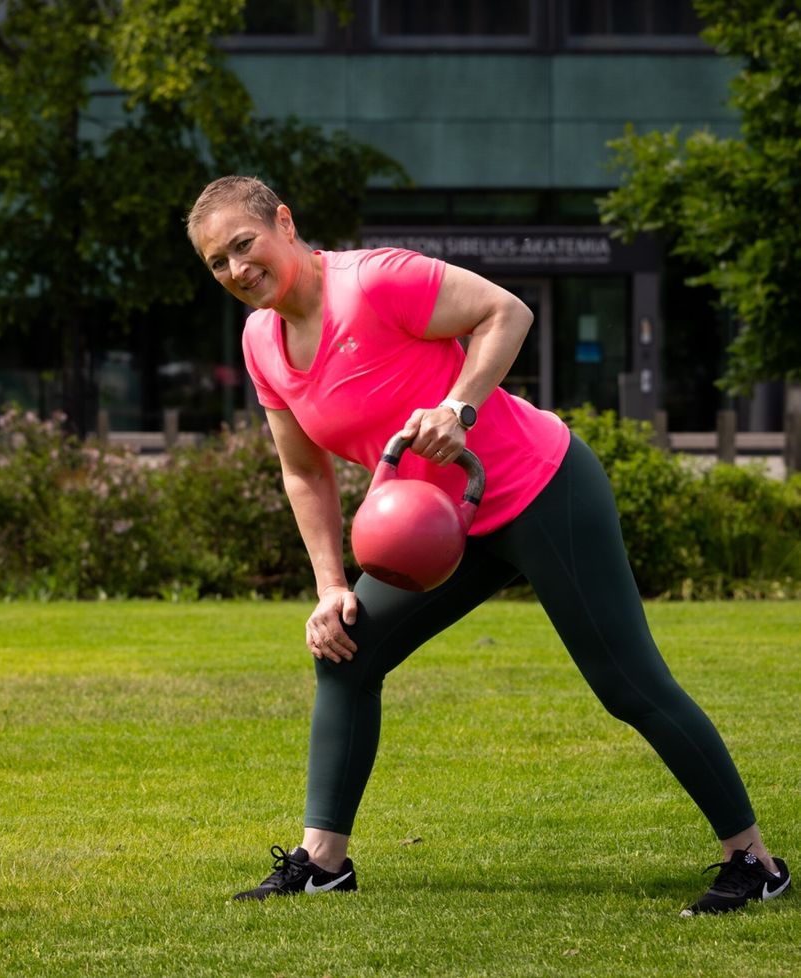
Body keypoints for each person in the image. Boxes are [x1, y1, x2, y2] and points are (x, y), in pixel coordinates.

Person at [185, 175, 790, 916]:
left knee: (627, 683)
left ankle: (754, 862)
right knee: (347, 650)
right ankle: (323, 865)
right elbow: (302, 469)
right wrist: (330, 586)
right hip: (437, 526)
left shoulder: (375, 281)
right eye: (218, 262)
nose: (236, 268)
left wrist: (458, 407)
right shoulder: (261, 342)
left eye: (243, 244)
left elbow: (508, 311)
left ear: (284, 222)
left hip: (540, 489)